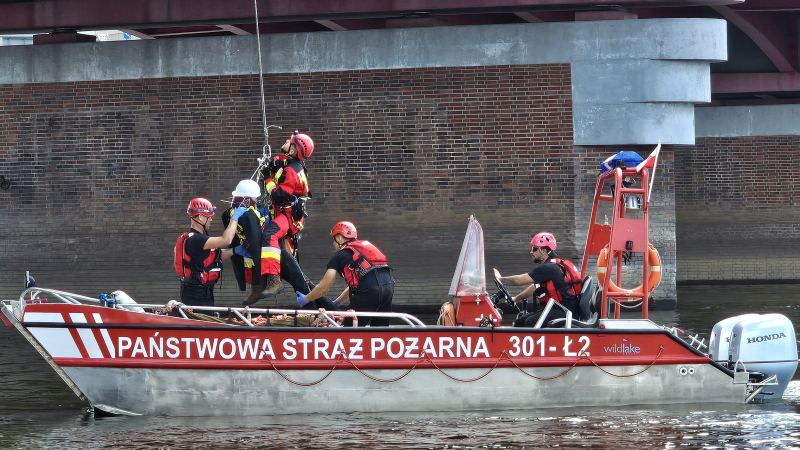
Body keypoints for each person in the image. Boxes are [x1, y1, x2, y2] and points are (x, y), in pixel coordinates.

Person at [296, 221, 394, 326]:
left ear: (339, 238)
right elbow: (358, 285)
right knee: (380, 331)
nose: (333, 243)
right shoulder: (363, 250)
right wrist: (337, 302)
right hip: (389, 287)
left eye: (333, 239)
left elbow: (323, 287)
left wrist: (306, 299)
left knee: (349, 329)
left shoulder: (339, 255)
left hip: (368, 291)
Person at [259, 130, 314, 295]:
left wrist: (267, 178)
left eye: (289, 141)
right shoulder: (292, 165)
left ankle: (274, 281)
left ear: (292, 150)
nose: (285, 141)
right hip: (286, 213)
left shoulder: (291, 171)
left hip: (289, 216)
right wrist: (272, 164)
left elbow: (278, 194)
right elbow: (281, 162)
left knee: (269, 235)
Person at [493, 231, 582, 328]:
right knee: (520, 322)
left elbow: (519, 280)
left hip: (565, 310)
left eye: (534, 249)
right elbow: (535, 287)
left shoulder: (549, 268)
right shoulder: (551, 266)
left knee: (530, 322)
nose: (531, 252)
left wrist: (500, 279)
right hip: (561, 308)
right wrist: (516, 298)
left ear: (543, 251)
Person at [175, 198, 246, 309]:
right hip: (196, 292)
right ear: (200, 217)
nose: (211, 220)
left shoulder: (198, 239)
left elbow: (216, 255)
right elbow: (226, 240)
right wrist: (235, 218)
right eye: (209, 217)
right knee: (202, 324)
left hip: (201, 290)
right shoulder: (196, 240)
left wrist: (235, 250)